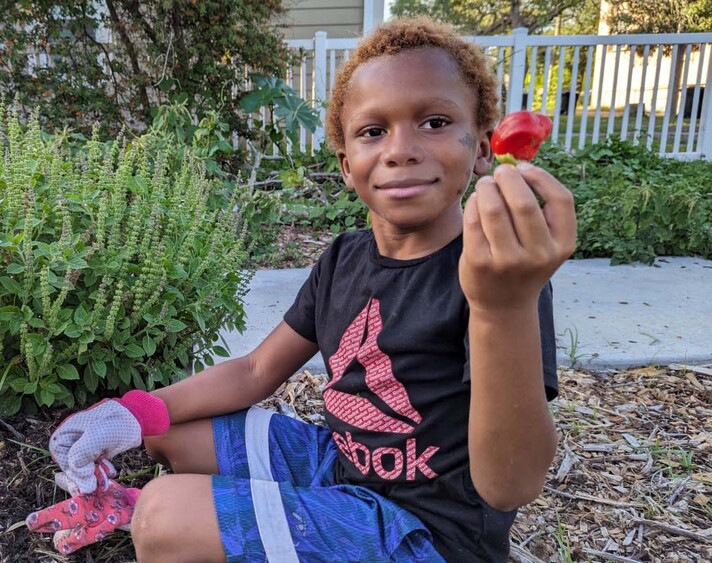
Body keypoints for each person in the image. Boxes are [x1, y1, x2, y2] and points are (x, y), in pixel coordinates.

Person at [30, 16, 577, 563]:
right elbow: (254, 372)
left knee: (162, 514)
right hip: (343, 470)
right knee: (170, 432)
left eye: (434, 122)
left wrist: (500, 306)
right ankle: (258, 521)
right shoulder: (345, 258)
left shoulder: (496, 279)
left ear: (482, 148)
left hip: (425, 535)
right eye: (372, 131)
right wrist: (131, 411)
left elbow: (510, 485)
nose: (400, 149)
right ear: (346, 164)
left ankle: (216, 524)